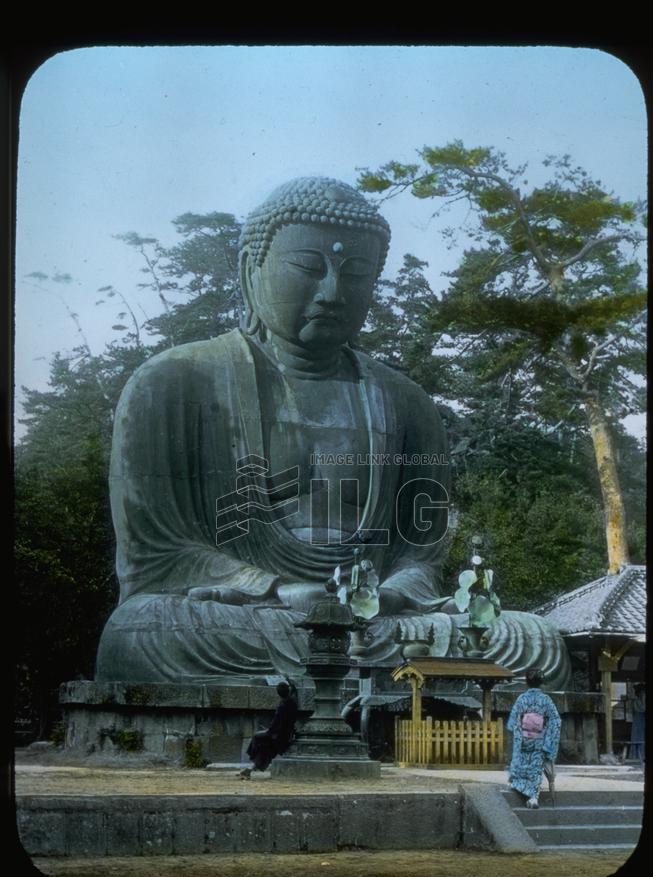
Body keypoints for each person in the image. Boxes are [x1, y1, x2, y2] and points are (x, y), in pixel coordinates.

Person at [96, 176, 571, 690]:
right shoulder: (172, 382)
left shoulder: (407, 402)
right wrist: (275, 589)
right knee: (139, 631)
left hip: (379, 621)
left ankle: (347, 664)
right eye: (307, 267)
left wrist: (390, 594)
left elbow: (421, 554)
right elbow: (156, 555)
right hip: (254, 615)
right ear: (249, 269)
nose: (332, 292)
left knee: (533, 641)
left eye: (357, 273)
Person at [506, 667, 561, 808]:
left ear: (527, 682)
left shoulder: (522, 699)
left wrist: (518, 732)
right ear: (542, 682)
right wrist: (549, 741)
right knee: (536, 767)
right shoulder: (546, 700)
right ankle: (533, 797)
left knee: (521, 764)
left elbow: (513, 722)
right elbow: (556, 720)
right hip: (539, 739)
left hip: (523, 738)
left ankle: (519, 787)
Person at [239, 681, 298, 778]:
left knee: (257, 737)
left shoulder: (282, 707)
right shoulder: (291, 702)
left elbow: (276, 725)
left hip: (279, 736)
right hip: (286, 733)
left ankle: (252, 756)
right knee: (264, 748)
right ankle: (252, 767)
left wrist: (268, 731)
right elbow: (293, 692)